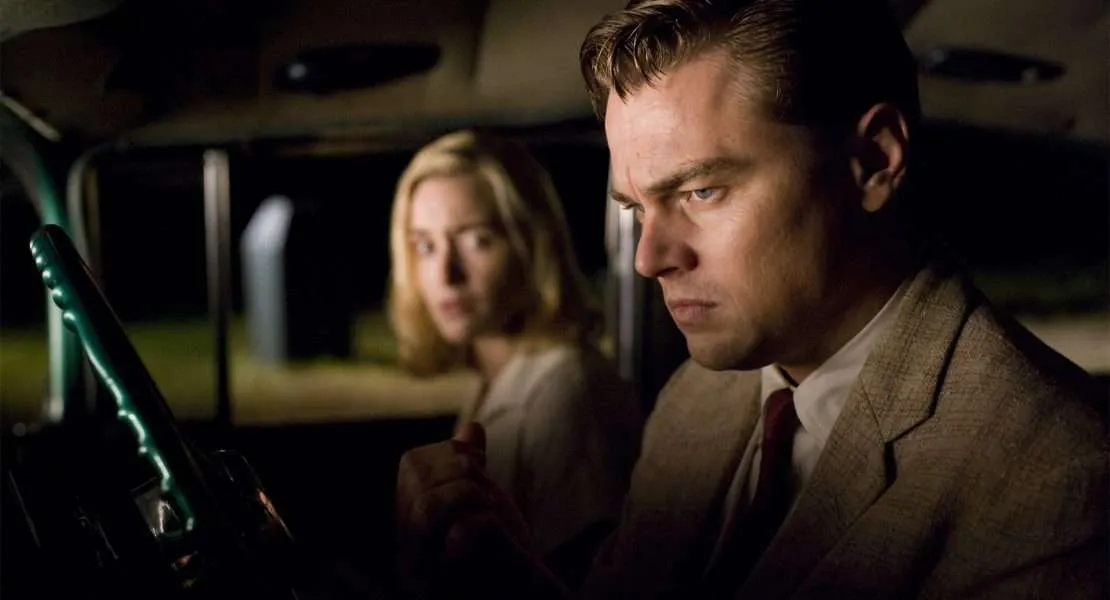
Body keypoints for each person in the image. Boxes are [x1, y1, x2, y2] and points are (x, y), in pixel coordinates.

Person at [394, 1, 1109, 598]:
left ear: (873, 161)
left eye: (701, 191)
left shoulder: (1056, 477)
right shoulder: (696, 399)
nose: (649, 258)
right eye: (637, 208)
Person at [387, 129, 645, 593]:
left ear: (532, 244)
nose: (446, 274)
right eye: (424, 245)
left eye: (477, 240)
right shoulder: (494, 380)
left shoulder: (568, 388)